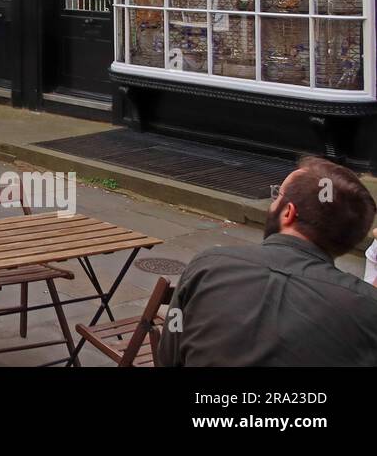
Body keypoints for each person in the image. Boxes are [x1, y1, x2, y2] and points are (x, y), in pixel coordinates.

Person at [157, 157, 377, 367]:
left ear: (288, 213)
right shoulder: (367, 308)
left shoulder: (208, 266)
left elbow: (168, 357)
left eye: (277, 196)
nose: (273, 202)